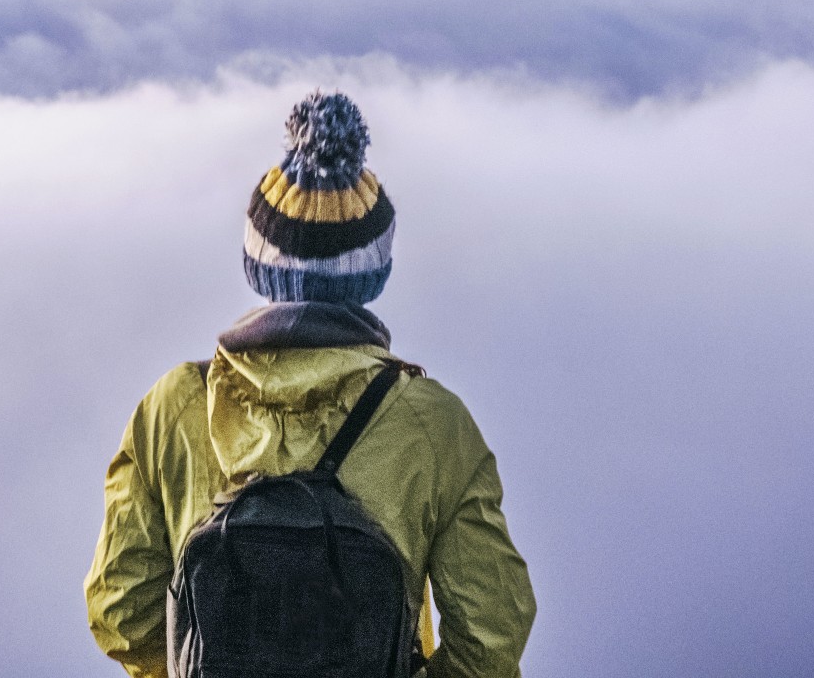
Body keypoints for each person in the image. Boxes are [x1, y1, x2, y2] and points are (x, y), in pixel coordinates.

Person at [85, 91, 536, 678]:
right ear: (374, 274)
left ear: (258, 266)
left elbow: (119, 609)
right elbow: (492, 632)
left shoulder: (173, 408)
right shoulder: (433, 425)